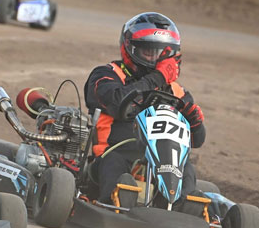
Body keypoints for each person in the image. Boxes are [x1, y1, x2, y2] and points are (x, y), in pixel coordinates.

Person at [81, 12, 205, 206]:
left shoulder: (177, 92)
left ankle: (182, 207)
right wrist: (158, 78)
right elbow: (116, 102)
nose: (157, 61)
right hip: (111, 158)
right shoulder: (107, 75)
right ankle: (117, 201)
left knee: (186, 168)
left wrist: (195, 123)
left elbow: (197, 141)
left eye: (162, 54)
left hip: (162, 164)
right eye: (149, 52)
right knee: (114, 162)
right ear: (130, 48)